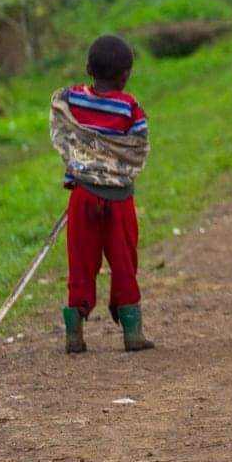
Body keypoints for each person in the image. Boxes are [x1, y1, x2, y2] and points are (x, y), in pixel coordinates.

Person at [50, 35, 154, 355]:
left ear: (87, 69)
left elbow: (65, 129)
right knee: (124, 261)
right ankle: (132, 334)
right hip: (119, 199)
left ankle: (75, 335)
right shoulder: (130, 107)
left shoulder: (74, 100)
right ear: (126, 75)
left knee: (81, 263)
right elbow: (138, 147)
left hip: (82, 196)